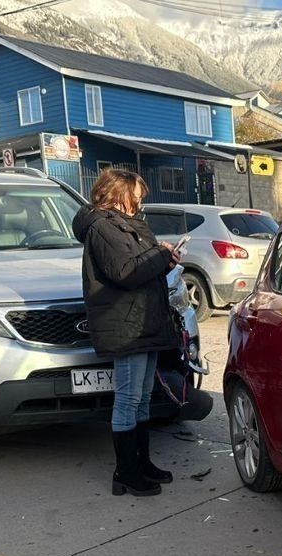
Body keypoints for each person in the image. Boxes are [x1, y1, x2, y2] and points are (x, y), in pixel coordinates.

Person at [73, 169, 180, 497]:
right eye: (136, 194)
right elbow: (126, 271)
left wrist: (165, 260)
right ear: (119, 194)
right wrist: (161, 255)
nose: (140, 200)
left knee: (143, 397)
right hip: (126, 323)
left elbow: (140, 265)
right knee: (129, 398)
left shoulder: (127, 224)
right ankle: (126, 472)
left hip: (143, 321)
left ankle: (142, 463)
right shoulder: (103, 226)